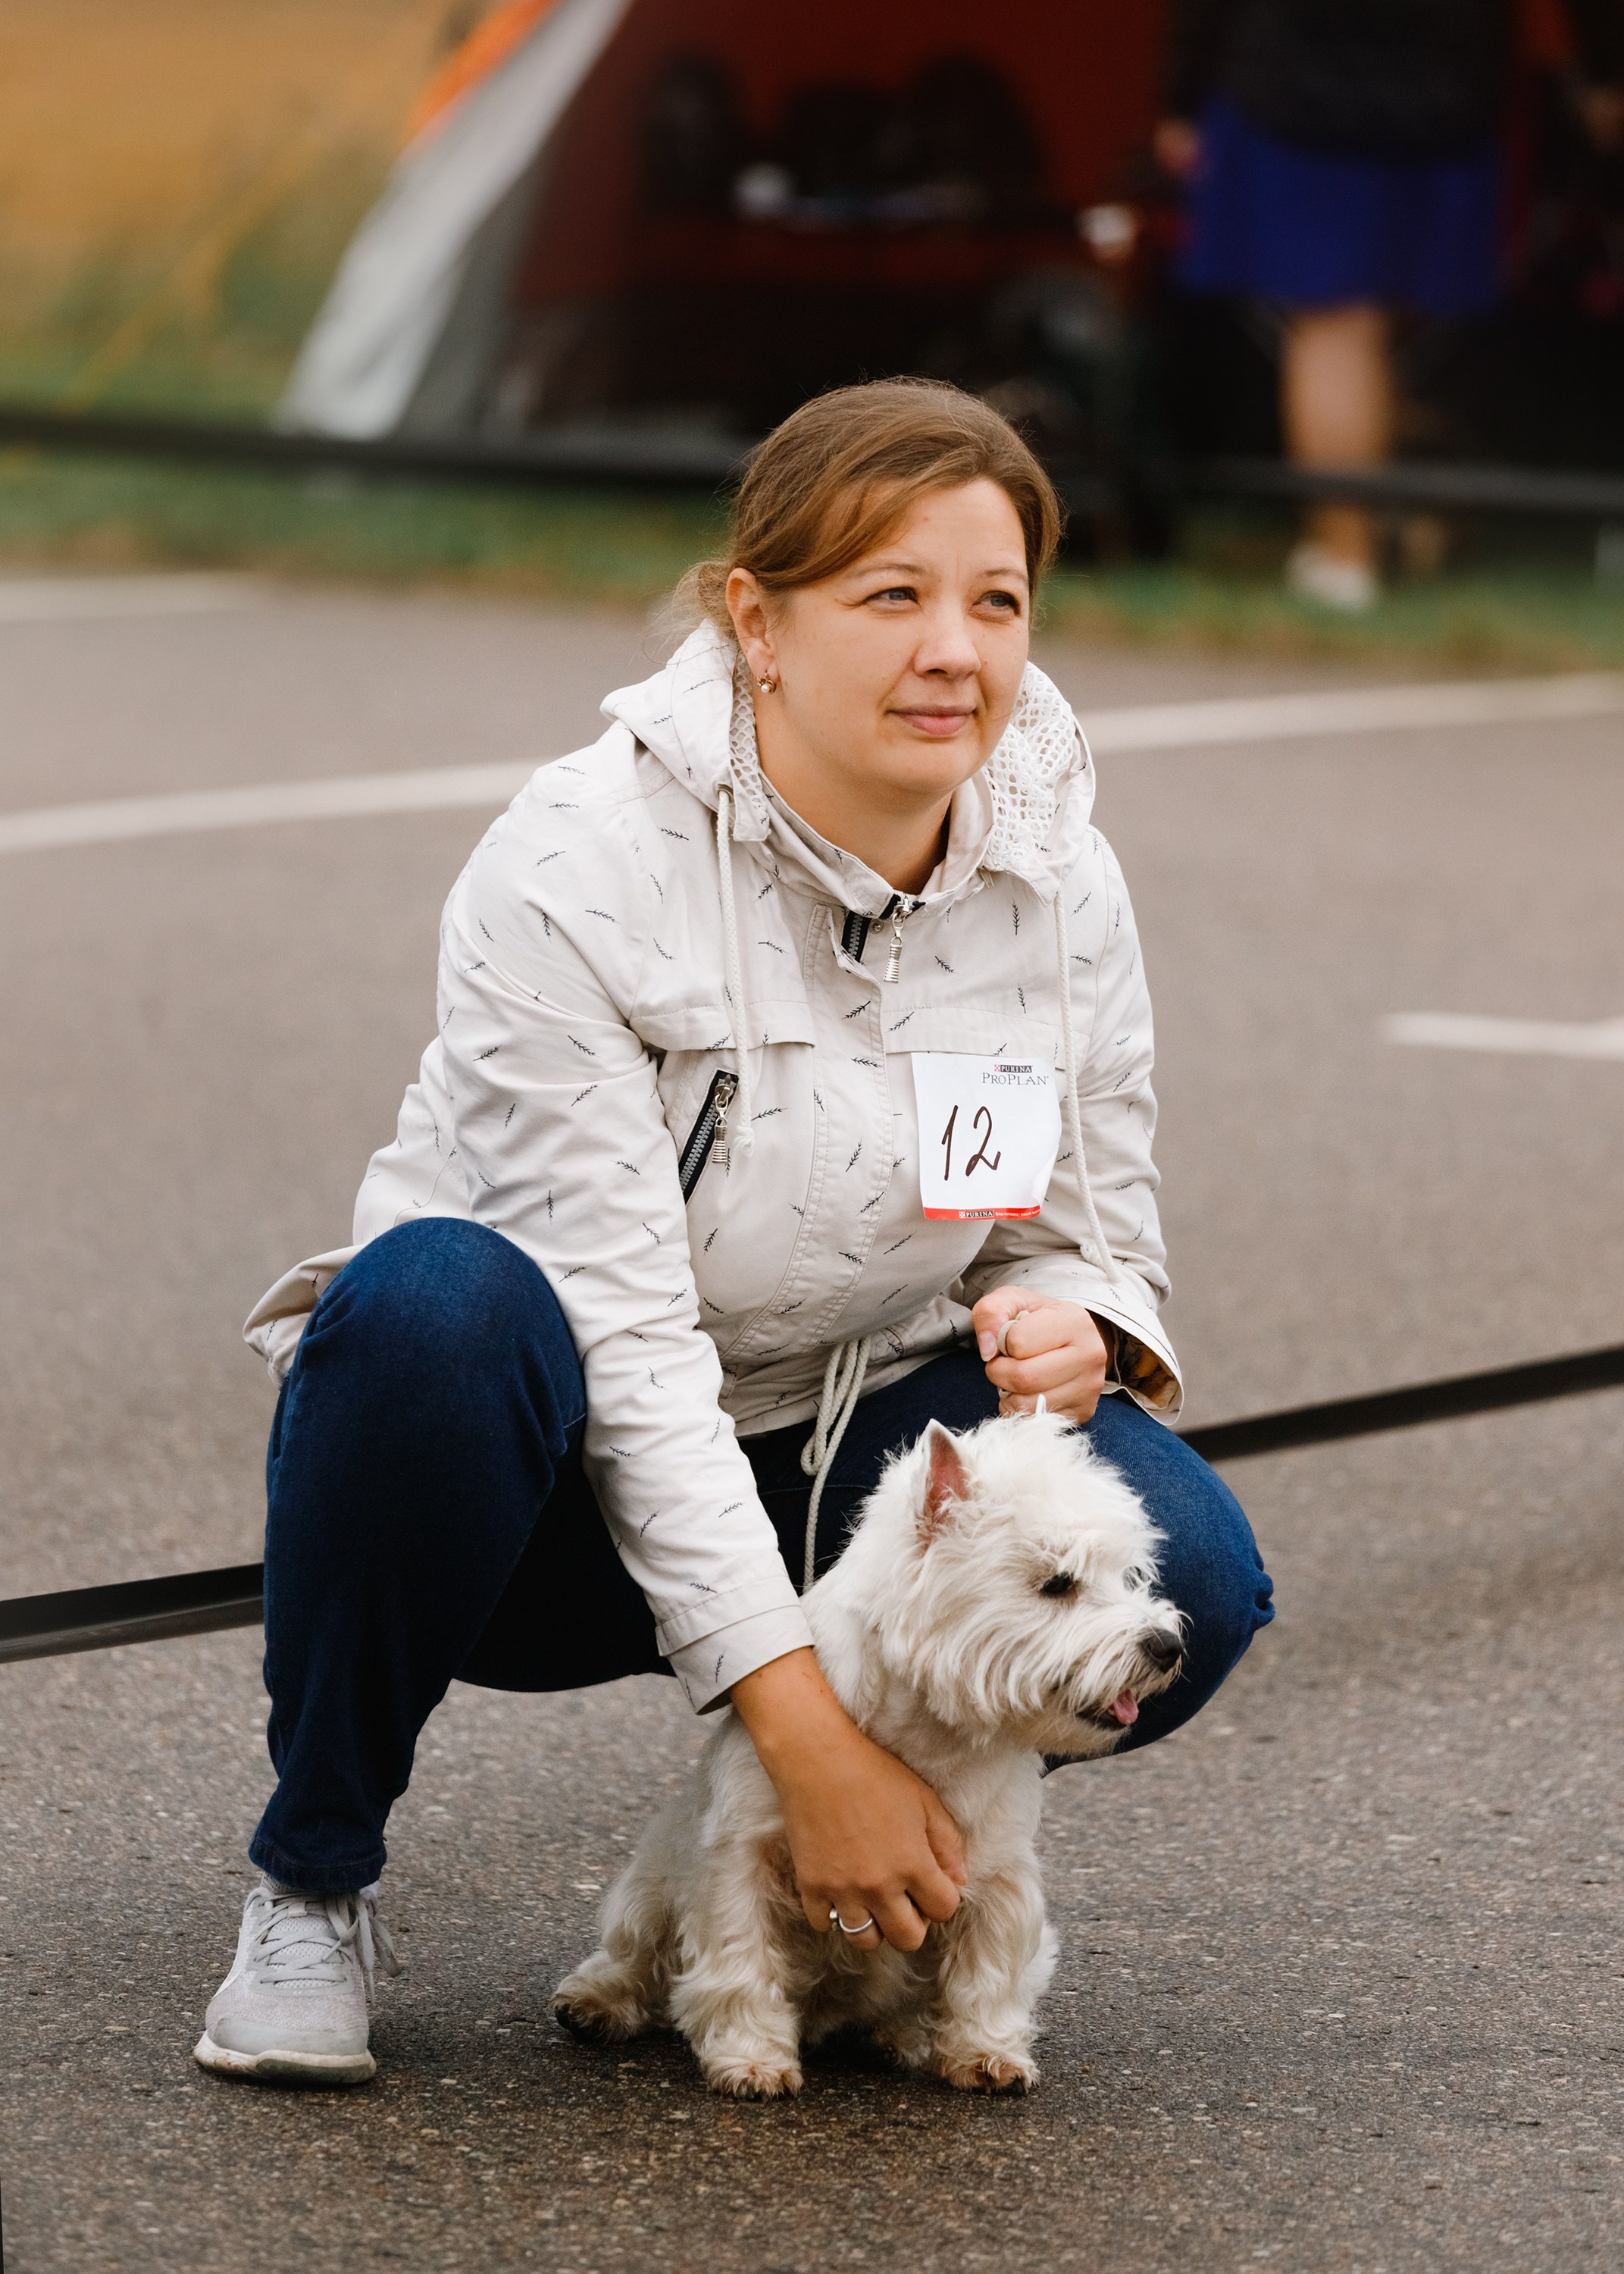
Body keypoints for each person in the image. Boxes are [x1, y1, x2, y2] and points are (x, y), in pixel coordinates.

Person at [196, 380, 1274, 2087]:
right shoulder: (573, 867)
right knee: (430, 1309)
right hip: (531, 1495)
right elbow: (623, 1348)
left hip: (843, 1461)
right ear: (754, 623)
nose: (954, 651)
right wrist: (801, 1735)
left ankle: (882, 1865)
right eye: (891, 595)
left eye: (995, 601)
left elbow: (1067, 1221)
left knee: (1191, 1583)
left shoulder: (1060, 877)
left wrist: (1079, 1309)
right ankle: (312, 1880)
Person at [1156, 0, 1536, 606]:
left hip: (1301, 92)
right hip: (1443, 87)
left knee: (1335, 325)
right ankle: (1383, 537)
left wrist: (1181, 96)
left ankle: (1343, 557)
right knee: (1373, 331)